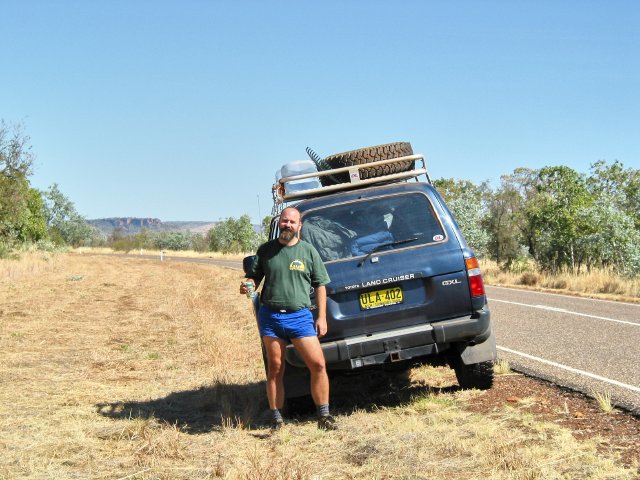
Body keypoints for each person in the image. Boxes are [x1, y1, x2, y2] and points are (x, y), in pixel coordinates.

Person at [240, 206, 337, 431]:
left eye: (293, 222)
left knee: (318, 364)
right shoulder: (266, 250)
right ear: (279, 223)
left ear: (299, 226)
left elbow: (320, 285)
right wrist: (248, 286)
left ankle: (324, 416)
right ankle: (276, 420)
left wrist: (321, 317)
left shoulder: (308, 251)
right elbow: (253, 279)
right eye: (285, 221)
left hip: (300, 318)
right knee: (275, 368)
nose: (288, 225)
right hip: (271, 318)